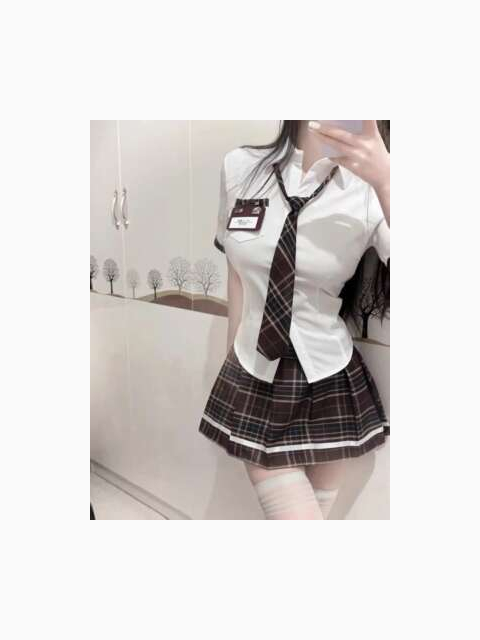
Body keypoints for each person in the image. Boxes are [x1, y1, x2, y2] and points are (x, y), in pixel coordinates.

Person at [199, 120, 390, 520]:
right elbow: (236, 270)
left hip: (329, 378)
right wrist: (231, 364)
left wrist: (388, 182)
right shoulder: (239, 167)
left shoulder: (370, 189)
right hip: (255, 371)